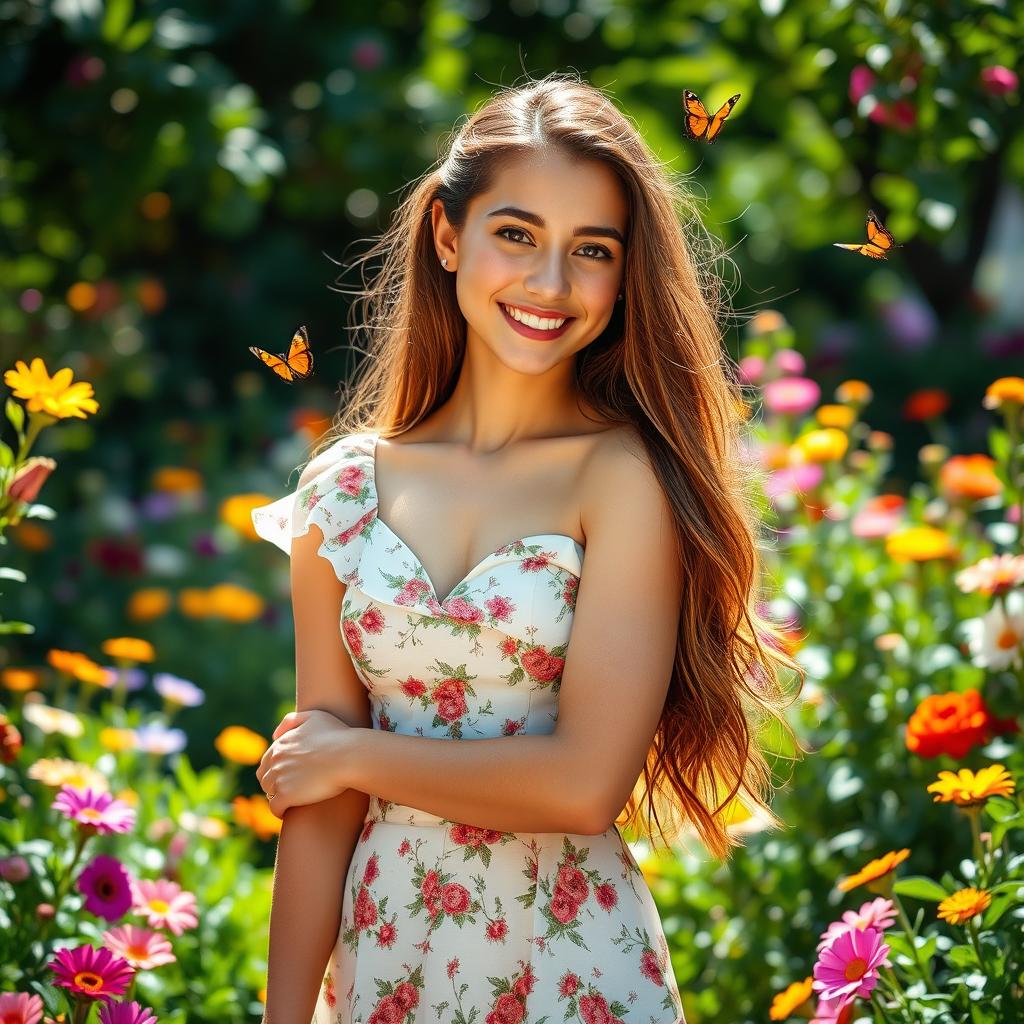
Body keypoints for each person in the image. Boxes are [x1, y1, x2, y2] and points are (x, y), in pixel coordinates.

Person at [250, 71, 804, 1024]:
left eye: (591, 250)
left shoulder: (621, 478)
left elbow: (585, 784)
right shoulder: (340, 490)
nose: (550, 284)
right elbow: (319, 800)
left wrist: (355, 758)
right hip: (386, 965)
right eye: (517, 234)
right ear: (448, 234)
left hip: (571, 967)